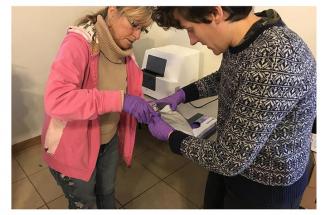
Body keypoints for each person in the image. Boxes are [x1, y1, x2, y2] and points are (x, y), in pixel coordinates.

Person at [149, 7, 316, 209]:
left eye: (190, 29)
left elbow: (228, 160)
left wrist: (171, 135)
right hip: (234, 159)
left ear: (215, 12)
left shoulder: (276, 59)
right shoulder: (248, 37)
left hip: (265, 185)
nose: (192, 40)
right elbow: (225, 77)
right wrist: (184, 94)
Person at [41, 6, 156, 209]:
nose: (137, 35)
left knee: (107, 192)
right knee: (85, 203)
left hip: (108, 140)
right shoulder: (78, 44)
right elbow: (57, 99)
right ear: (112, 11)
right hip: (74, 145)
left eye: (143, 29)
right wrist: (121, 101)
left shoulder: (124, 52)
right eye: (134, 24)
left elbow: (126, 91)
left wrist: (148, 106)